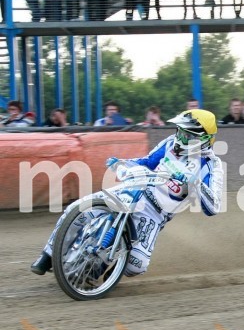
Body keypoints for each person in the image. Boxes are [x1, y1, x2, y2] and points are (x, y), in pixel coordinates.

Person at [30, 110, 224, 277]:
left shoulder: (211, 166)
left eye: (186, 134)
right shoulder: (170, 143)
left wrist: (195, 183)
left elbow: (213, 207)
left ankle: (104, 272)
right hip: (136, 188)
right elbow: (147, 161)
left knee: (136, 266)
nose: (180, 137)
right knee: (78, 208)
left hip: (155, 213)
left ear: (202, 139)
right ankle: (47, 256)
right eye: (179, 131)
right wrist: (122, 162)